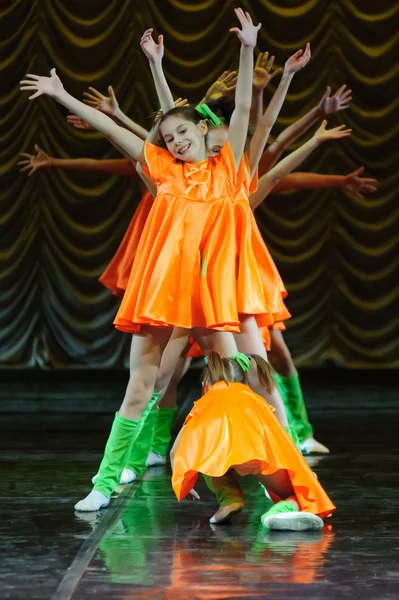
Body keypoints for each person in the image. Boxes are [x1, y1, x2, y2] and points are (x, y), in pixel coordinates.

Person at [20, 8, 278, 512]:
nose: (178, 142)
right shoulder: (164, 170)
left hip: (209, 298)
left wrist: (247, 48)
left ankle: (264, 481)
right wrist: (62, 95)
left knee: (236, 382)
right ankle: (105, 478)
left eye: (185, 134)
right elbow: (113, 131)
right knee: (143, 385)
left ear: (206, 132)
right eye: (171, 139)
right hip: (163, 291)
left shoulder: (228, 171)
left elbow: (244, 107)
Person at [171, 351, 335, 530]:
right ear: (245, 382)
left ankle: (229, 499)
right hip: (259, 454)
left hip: (221, 455)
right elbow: (280, 438)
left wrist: (184, 482)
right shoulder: (256, 400)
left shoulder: (204, 403)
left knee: (209, 452)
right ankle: (283, 509)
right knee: (300, 494)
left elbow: (176, 451)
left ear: (206, 384)